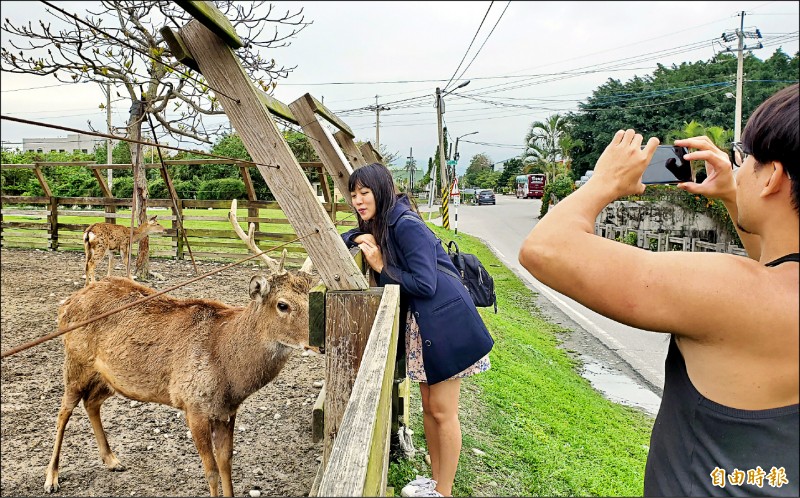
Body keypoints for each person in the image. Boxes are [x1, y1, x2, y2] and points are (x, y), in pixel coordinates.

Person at [518, 84, 798, 497]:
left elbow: (545, 249)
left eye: (745, 159)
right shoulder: (768, 301)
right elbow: (776, 266)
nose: (737, 168)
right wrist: (734, 197)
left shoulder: (730, 291)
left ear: (772, 176)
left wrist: (604, 182)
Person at [341, 163, 494, 497]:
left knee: (443, 411)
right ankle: (435, 481)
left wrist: (382, 267)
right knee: (428, 408)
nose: (358, 201)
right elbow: (345, 237)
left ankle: (445, 490)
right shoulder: (386, 221)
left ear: (381, 191)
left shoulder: (406, 225)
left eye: (364, 193)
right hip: (426, 324)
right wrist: (357, 235)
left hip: (445, 323)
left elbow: (424, 284)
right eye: (353, 195)